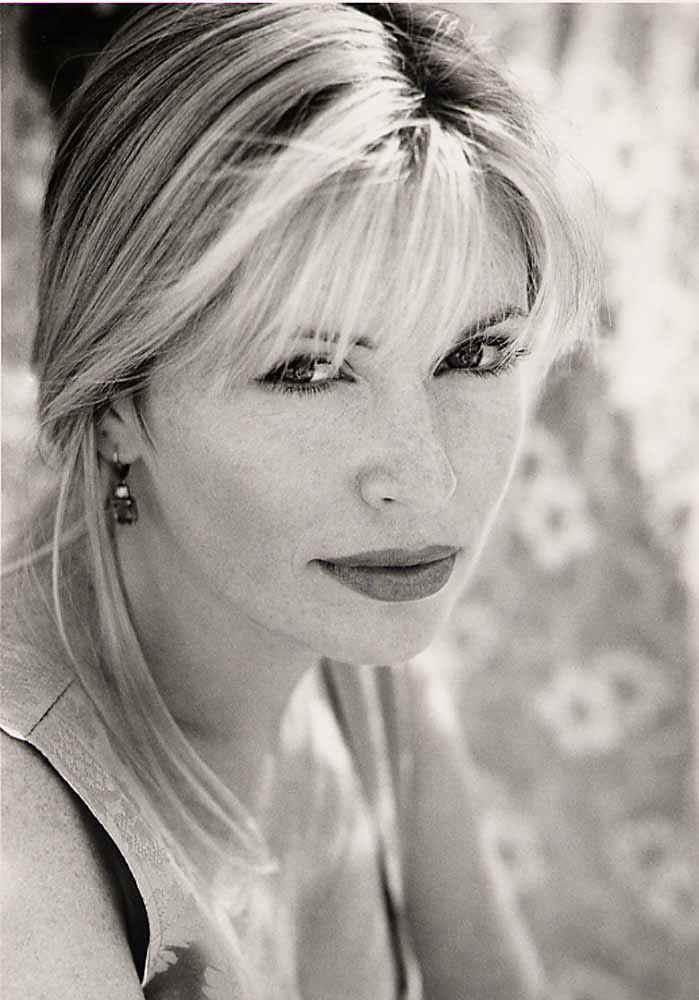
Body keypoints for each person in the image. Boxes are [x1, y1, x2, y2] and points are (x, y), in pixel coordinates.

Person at [1, 4, 597, 998]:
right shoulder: (21, 836)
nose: (425, 481)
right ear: (114, 408)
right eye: (308, 371)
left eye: (473, 353)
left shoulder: (352, 641)